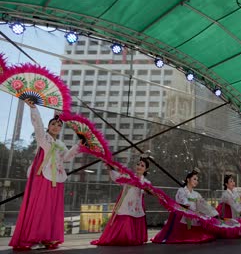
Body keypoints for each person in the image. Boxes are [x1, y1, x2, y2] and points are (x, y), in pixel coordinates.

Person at [9, 99, 81, 250]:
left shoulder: (60, 144)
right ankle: (33, 237)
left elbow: (67, 157)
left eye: (59, 125)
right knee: (39, 207)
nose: (56, 127)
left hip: (57, 179)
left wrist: (80, 144)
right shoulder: (43, 138)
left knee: (51, 209)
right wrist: (33, 108)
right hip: (43, 177)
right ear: (48, 126)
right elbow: (38, 126)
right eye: (53, 124)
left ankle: (47, 238)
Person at [91, 157, 151, 245]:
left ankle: (132, 239)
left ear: (146, 169)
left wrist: (146, 190)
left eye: (142, 165)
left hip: (136, 205)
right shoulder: (128, 176)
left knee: (135, 217)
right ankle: (123, 238)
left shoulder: (145, 182)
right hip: (126, 203)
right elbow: (117, 177)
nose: (139, 166)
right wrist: (111, 168)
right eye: (138, 164)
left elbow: (146, 192)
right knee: (125, 218)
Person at [152, 168, 218, 244]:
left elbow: (204, 204)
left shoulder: (196, 194)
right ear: (188, 179)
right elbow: (183, 200)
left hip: (193, 215)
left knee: (201, 233)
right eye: (194, 179)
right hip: (182, 215)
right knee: (181, 235)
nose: (196, 181)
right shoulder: (181, 190)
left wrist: (213, 212)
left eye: (197, 180)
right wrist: (189, 206)